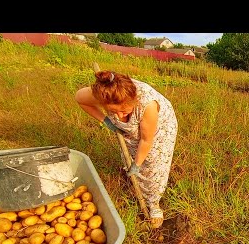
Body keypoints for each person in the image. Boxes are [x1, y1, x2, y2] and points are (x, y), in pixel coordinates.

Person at [74, 70, 178, 229]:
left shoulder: (147, 104)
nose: (120, 115)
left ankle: (154, 202)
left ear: (133, 100)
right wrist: (105, 120)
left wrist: (137, 164)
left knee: (152, 165)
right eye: (114, 111)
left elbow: (146, 140)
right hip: (135, 127)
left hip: (159, 129)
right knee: (129, 156)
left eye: (124, 111)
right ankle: (137, 187)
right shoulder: (103, 94)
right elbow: (80, 99)